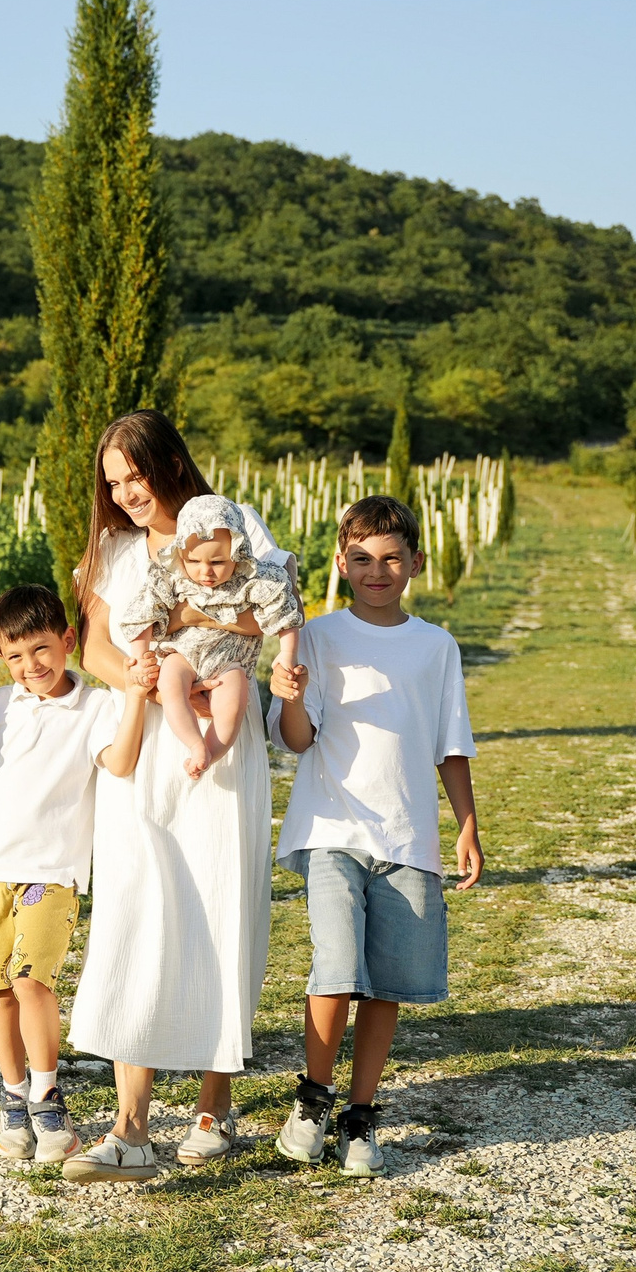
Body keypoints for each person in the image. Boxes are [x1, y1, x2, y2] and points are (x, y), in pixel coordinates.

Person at [60, 411, 287, 1184]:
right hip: (145, 741)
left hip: (220, 741)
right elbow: (95, 643)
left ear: (172, 465)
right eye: (114, 482)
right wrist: (139, 679)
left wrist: (186, 622)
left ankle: (214, 1107)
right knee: (137, 910)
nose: (126, 493)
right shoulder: (114, 550)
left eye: (137, 476)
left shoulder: (233, 521)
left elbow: (273, 613)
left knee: (222, 903)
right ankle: (130, 1129)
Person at [267, 495, 483, 1177]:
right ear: (341, 563)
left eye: (392, 558)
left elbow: (451, 744)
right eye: (361, 559)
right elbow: (297, 739)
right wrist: (290, 693)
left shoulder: (436, 646)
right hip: (332, 828)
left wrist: (467, 825)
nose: (377, 571)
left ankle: (360, 1115)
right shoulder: (318, 637)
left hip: (408, 836)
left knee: (387, 982)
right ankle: (313, 1099)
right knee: (336, 968)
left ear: (416, 562)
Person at [0, 584, 146, 1165]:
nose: (31, 666)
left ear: (68, 640)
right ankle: (13, 1098)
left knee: (31, 982)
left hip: (52, 872)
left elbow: (121, 762)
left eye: (41, 649)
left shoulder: (97, 706)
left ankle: (48, 1098)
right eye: (16, 656)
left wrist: (136, 698)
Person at [121, 492, 304, 779]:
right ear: (181, 554)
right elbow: (144, 612)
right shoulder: (172, 577)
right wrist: (140, 656)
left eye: (218, 562)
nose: (205, 572)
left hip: (229, 659)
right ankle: (194, 743)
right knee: (170, 684)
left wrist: (287, 654)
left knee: (233, 701)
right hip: (182, 653)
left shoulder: (252, 579)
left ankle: (211, 752)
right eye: (194, 560)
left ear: (237, 552)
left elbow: (284, 612)